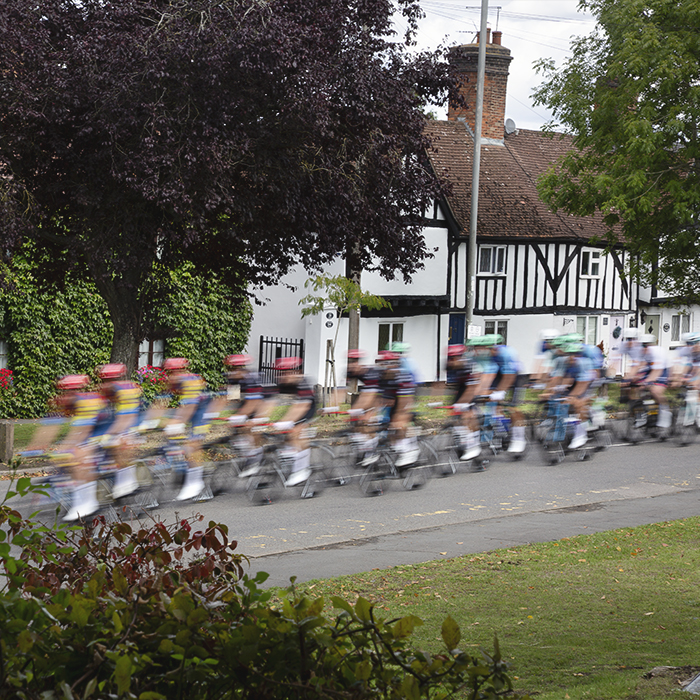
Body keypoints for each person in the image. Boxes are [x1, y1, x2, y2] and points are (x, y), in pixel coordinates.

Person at [161, 357, 210, 501]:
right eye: (170, 373)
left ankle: (195, 483)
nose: (172, 376)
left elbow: (190, 407)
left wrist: (178, 423)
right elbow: (162, 402)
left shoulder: (191, 382)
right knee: (173, 438)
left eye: (175, 372)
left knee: (192, 445)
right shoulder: (173, 382)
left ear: (183, 370)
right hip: (189, 410)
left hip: (202, 414)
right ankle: (181, 469)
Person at [94, 363, 142, 499]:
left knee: (119, 442)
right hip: (116, 421)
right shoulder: (105, 391)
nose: (106, 384)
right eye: (104, 381)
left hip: (133, 421)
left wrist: (110, 435)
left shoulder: (126, 391)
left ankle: (129, 483)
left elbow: (125, 420)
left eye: (109, 381)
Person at [271, 357, 317, 485]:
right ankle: (291, 455)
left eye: (288, 373)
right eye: (282, 373)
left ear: (295, 372)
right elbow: (269, 401)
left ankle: (301, 470)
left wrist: (287, 422)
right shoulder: (283, 382)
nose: (284, 376)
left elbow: (302, 406)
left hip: (308, 406)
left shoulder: (303, 382)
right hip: (296, 403)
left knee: (295, 431)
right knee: (285, 435)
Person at [223, 354, 269, 478]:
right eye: (231, 369)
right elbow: (233, 399)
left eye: (236, 369)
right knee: (238, 432)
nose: (234, 372)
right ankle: (248, 455)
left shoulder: (250, 378)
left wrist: (243, 417)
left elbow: (253, 403)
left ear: (241, 368)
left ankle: (256, 459)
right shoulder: (233, 379)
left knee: (250, 428)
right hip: (247, 403)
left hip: (261, 404)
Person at [445, 344, 482, 461]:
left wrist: (464, 403)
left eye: (455, 358)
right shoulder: (449, 365)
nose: (453, 361)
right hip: (461, 387)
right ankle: (463, 440)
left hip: (472, 386)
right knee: (455, 416)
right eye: (451, 359)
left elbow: (472, 389)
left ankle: (473, 446)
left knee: (467, 415)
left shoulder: (468, 366)